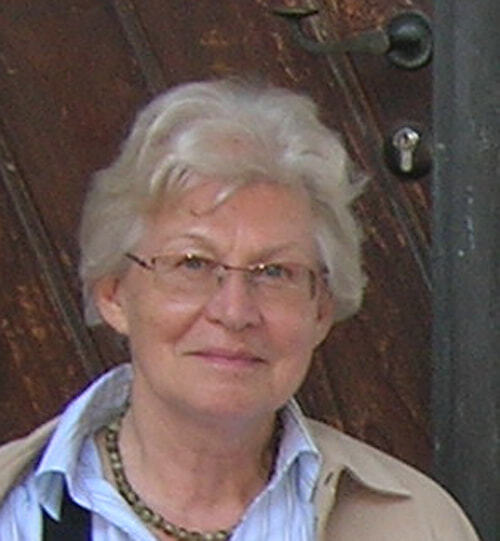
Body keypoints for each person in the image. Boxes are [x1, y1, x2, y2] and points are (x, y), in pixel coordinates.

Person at [0, 79, 479, 540]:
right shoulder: (15, 514)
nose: (234, 311)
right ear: (114, 294)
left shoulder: (418, 528)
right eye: (192, 264)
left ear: (320, 310)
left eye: (275, 272)